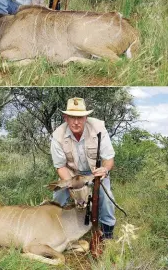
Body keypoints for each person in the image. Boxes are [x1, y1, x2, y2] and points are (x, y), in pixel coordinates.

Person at [51, 97, 116, 239]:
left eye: (80, 118)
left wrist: (104, 170)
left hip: (95, 173)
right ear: (65, 118)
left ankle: (107, 233)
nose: (76, 122)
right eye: (72, 117)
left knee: (106, 196)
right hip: (72, 174)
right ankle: (52, 227)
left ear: (86, 117)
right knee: (58, 195)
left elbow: (109, 159)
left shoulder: (99, 128)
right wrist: (72, 185)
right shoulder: (57, 135)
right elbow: (60, 166)